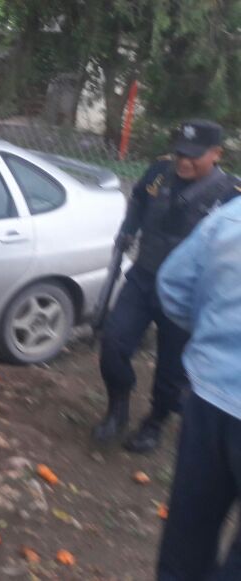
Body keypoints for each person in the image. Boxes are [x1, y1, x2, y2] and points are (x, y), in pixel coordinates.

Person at [92, 119, 239, 453]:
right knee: (113, 343)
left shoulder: (231, 195)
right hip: (143, 278)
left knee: (172, 367)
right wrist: (128, 229)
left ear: (216, 154)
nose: (183, 161)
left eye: (194, 156)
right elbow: (140, 199)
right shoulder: (159, 170)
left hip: (188, 295)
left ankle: (155, 422)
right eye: (180, 153)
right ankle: (117, 407)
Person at [155, 193, 241, 580]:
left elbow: (173, 286)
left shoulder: (229, 218)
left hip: (211, 399)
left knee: (188, 532)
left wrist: (214, 339)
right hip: (214, 392)